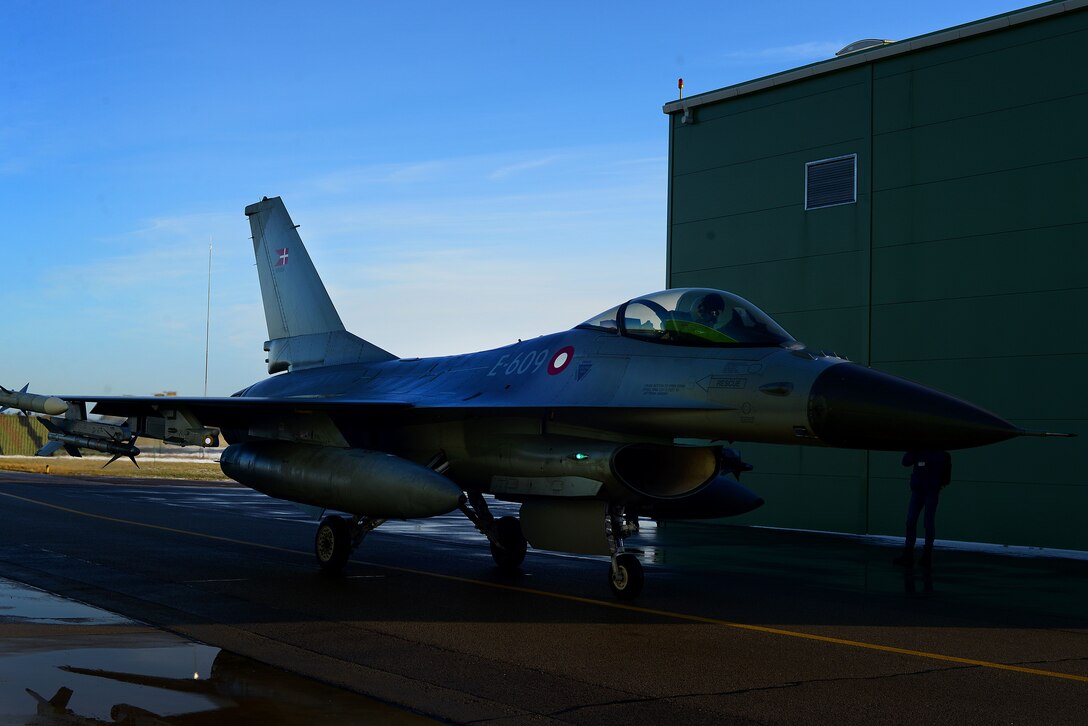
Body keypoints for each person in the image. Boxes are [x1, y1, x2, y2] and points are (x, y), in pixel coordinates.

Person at [894, 450, 952, 568]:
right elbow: (905, 462)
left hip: (930, 491)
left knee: (928, 522)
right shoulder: (919, 450)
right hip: (918, 491)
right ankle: (909, 553)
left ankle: (926, 555)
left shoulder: (938, 453)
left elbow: (935, 465)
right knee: (911, 521)